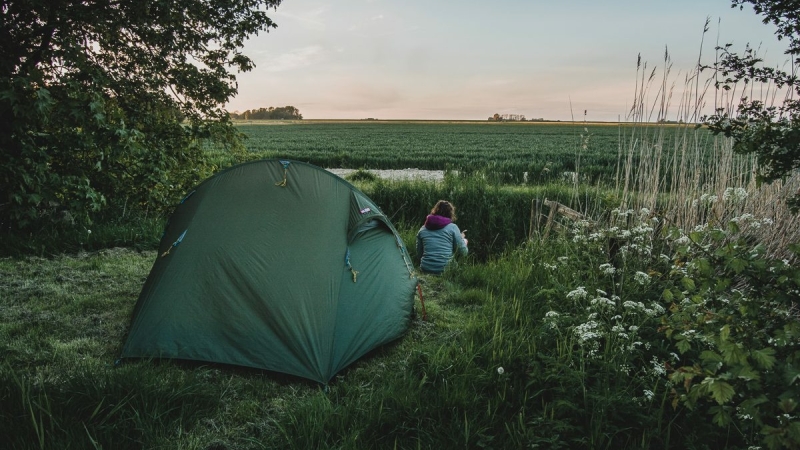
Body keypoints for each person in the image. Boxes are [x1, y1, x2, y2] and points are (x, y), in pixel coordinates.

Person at [416, 200, 468, 274]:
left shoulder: (423, 229)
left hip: (425, 269)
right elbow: (464, 252)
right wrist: (464, 241)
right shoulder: (453, 227)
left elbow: (419, 254)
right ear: (450, 214)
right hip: (446, 270)